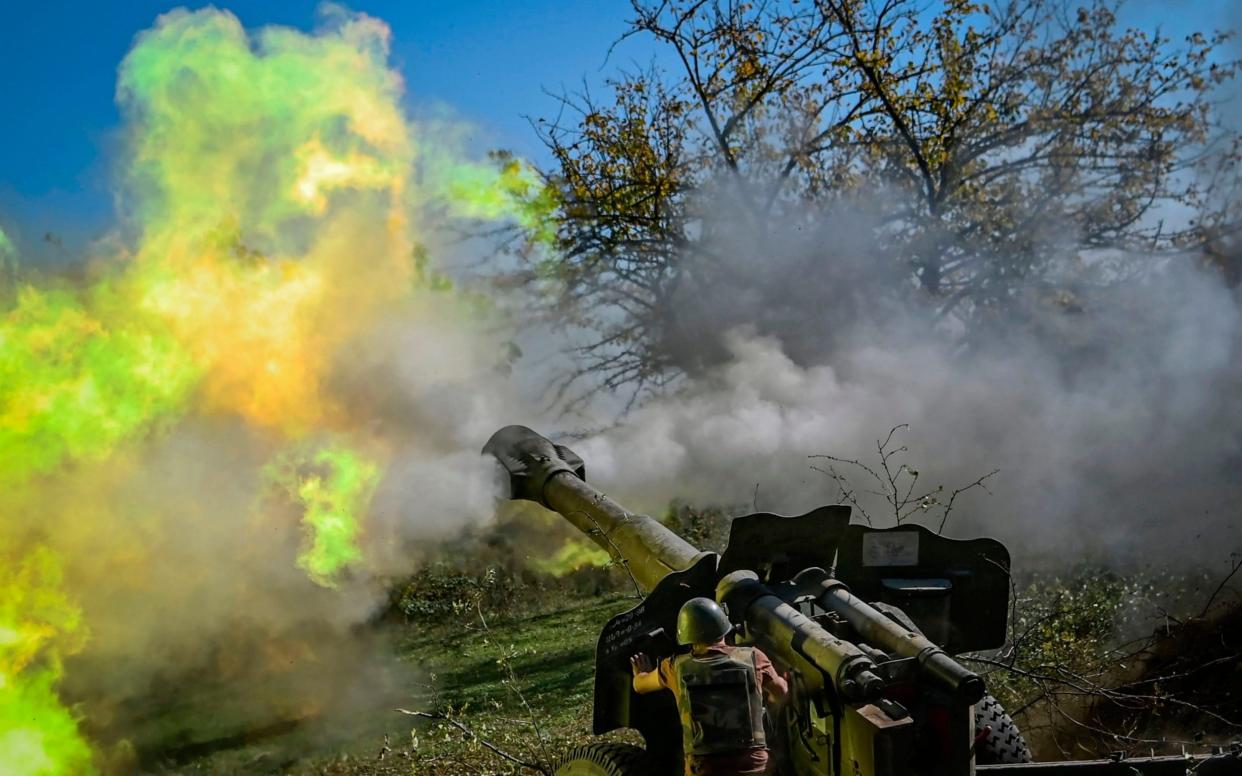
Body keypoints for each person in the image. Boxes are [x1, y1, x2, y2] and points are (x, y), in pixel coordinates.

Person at [631, 597, 788, 776]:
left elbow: (640, 686)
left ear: (686, 636)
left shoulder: (675, 667)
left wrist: (641, 672)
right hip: (753, 766)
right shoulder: (754, 658)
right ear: (723, 625)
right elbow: (781, 691)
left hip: (705, 769)